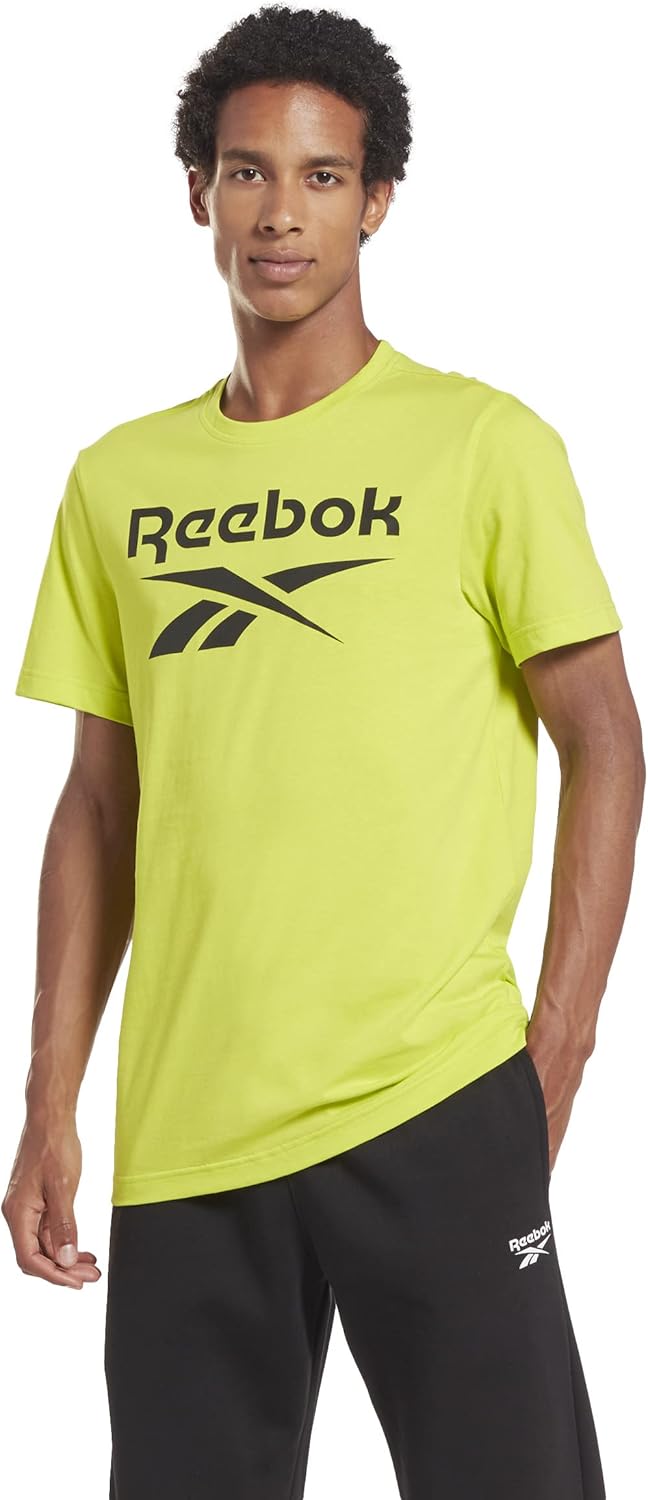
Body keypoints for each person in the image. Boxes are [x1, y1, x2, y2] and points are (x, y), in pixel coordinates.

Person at [3, 6, 644, 1497]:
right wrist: (49, 1100)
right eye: (247, 172)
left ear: (378, 200)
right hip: (190, 1125)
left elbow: (606, 740)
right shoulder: (117, 481)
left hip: (433, 1096)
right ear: (197, 192)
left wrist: (555, 1051)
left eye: (322, 175)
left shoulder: (483, 445)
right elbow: (98, 806)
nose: (280, 213)